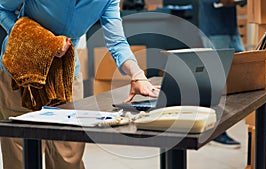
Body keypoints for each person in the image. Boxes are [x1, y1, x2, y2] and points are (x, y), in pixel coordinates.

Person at [0, 1, 159, 169]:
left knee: (68, 155)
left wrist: (137, 74)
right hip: (20, 72)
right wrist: (38, 40)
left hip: (65, 77)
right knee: (20, 155)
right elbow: (2, 9)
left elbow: (117, 43)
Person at [198, 0, 246, 149]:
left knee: (245, 72)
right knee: (218, 83)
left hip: (231, 30)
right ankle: (215, 131)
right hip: (215, 31)